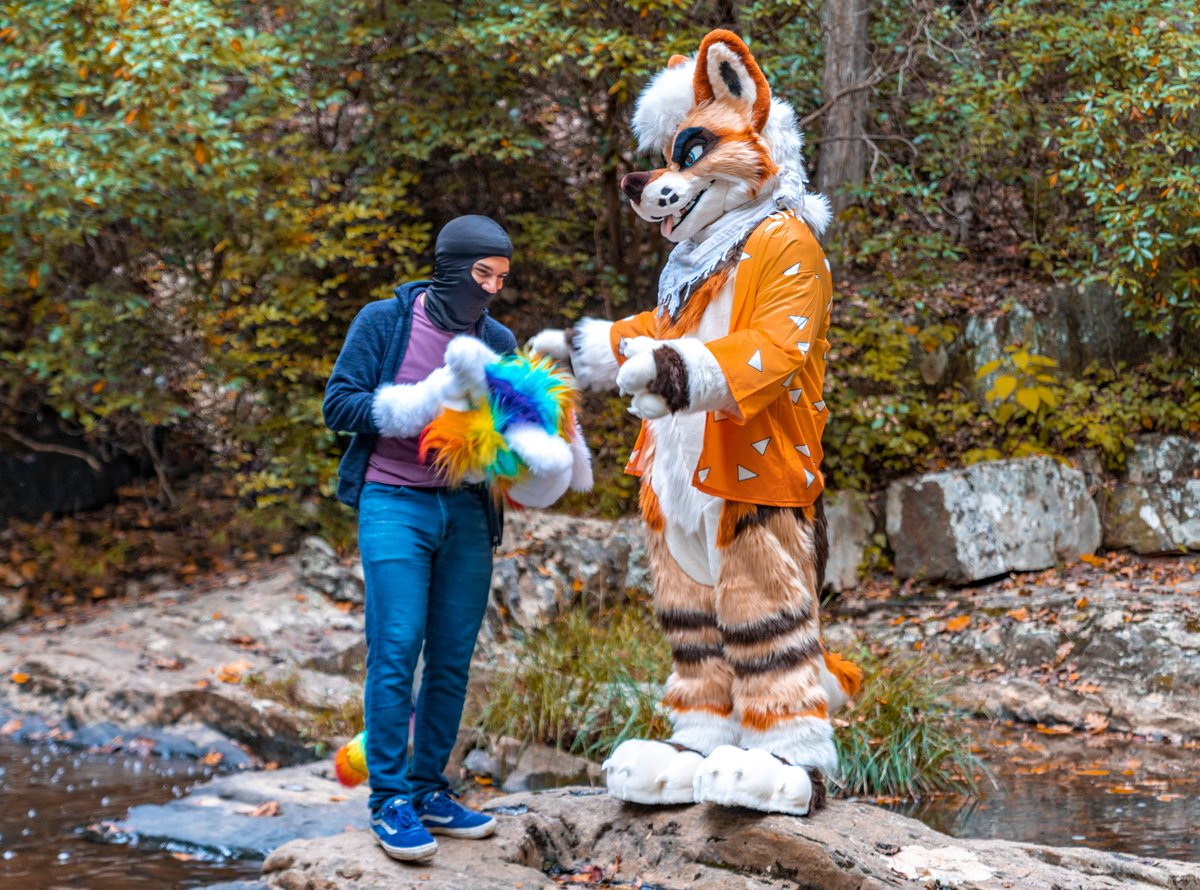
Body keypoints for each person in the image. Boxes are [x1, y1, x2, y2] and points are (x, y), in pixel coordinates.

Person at [322, 215, 517, 863]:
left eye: (501, 278)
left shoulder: (499, 338)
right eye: (481, 275)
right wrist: (418, 403)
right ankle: (389, 799)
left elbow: (516, 429)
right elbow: (339, 406)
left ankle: (431, 788)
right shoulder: (385, 321)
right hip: (393, 500)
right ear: (449, 268)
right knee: (397, 644)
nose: (489, 290)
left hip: (466, 509)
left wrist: (533, 435)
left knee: (454, 654)